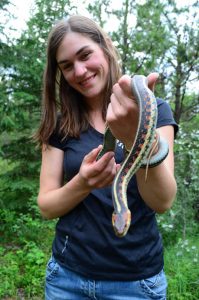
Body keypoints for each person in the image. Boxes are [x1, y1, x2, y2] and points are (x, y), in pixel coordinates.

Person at [35, 15, 178, 300]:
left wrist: (136, 137)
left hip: (137, 284)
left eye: (85, 55)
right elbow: (47, 207)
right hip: (66, 279)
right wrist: (83, 183)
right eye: (67, 66)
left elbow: (162, 201)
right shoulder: (61, 126)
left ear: (106, 47)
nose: (79, 71)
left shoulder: (154, 109)